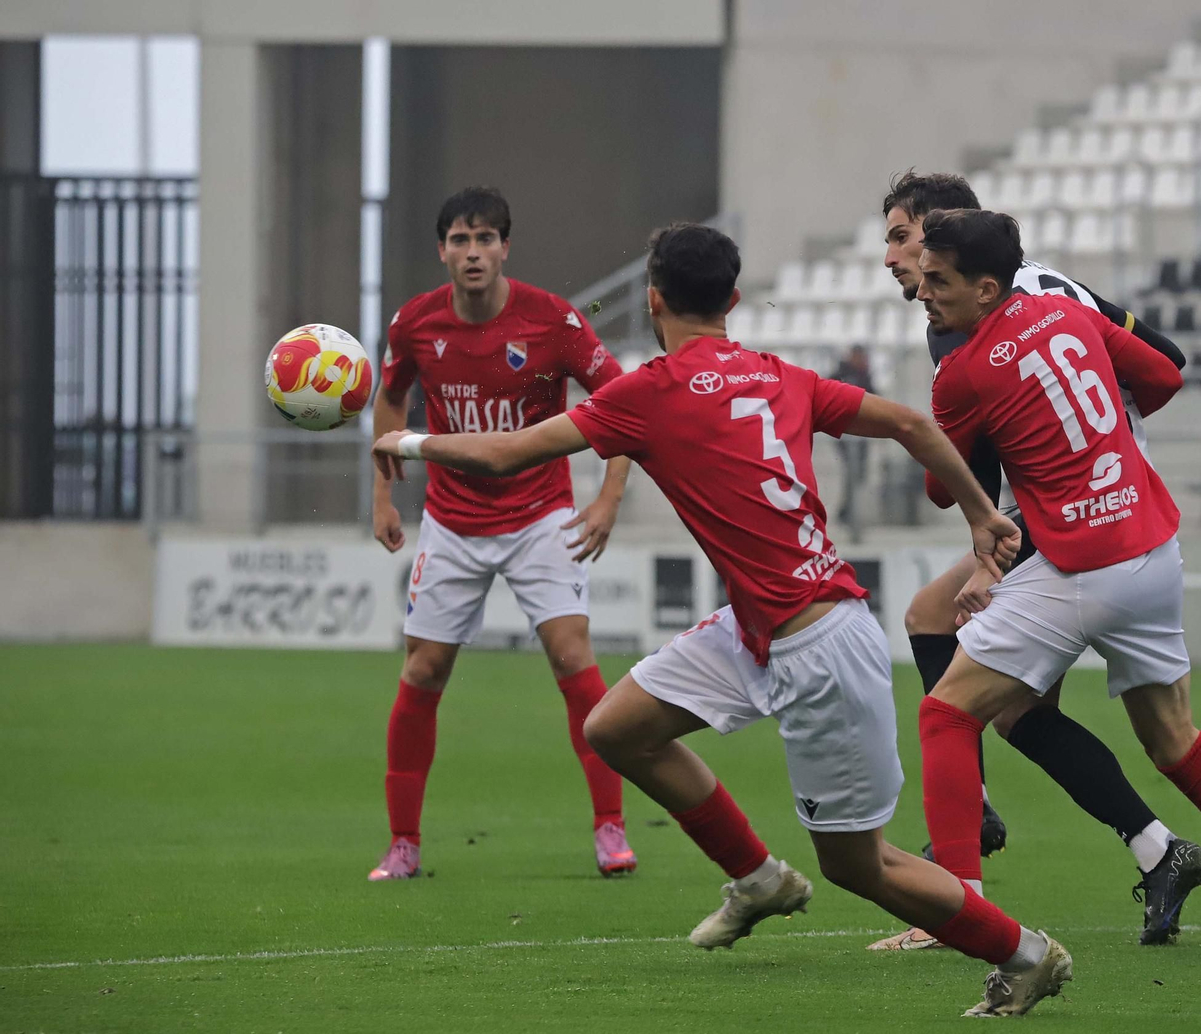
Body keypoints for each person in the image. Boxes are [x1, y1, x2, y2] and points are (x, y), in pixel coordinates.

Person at [373, 222, 1073, 1018]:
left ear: (654, 298)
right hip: (759, 627)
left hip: (817, 644)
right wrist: (983, 518)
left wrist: (404, 439)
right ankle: (757, 878)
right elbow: (914, 425)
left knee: (859, 866)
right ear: (733, 300)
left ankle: (1026, 953)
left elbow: (506, 454)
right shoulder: (782, 374)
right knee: (615, 728)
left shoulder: (647, 392)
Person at [914, 208, 1201, 945]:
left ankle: (962, 918)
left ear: (987, 289)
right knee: (1177, 742)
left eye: (938, 279)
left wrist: (1005, 432)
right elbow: (1161, 374)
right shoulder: (1066, 312)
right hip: (1149, 549)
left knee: (945, 715)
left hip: (1077, 568)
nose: (924, 290)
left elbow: (942, 487)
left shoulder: (960, 373)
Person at [875, 170, 1201, 950]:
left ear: (938, 232)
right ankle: (1160, 851)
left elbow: (960, 461)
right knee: (1000, 692)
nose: (891, 259)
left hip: (1079, 519)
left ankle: (961, 884)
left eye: (898, 237)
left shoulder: (973, 307)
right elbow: (1162, 359)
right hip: (1099, 504)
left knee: (960, 696)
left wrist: (1028, 505)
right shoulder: (1035, 289)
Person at [367, 187, 637, 881]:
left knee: (571, 657)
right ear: (443, 251)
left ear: (505, 247)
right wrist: (384, 497)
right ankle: (403, 843)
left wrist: (608, 497)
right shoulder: (414, 324)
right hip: (452, 521)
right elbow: (390, 399)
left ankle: (611, 828)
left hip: (540, 513)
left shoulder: (553, 320)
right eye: (460, 240)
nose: (473, 252)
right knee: (423, 670)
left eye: (485, 239)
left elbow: (621, 403)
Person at [829, 344, 876, 536]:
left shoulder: (864, 376)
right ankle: (847, 514)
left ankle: (848, 513)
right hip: (845, 434)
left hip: (861, 434)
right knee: (852, 473)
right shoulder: (841, 374)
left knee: (857, 475)